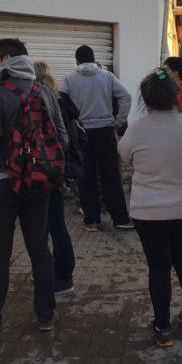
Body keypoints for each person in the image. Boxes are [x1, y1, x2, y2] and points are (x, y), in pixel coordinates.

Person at [0, 38, 67, 338]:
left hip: (2, 185)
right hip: (38, 186)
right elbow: (61, 138)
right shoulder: (45, 93)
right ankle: (46, 314)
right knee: (39, 249)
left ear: (7, 59)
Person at [118, 68, 182, 348]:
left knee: (159, 267)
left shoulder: (138, 127)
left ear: (145, 97)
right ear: (174, 94)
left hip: (149, 212)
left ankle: (162, 328)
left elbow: (124, 157)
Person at [62, 45, 133, 231]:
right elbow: (126, 96)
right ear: (94, 59)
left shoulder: (69, 79)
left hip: (82, 133)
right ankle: (120, 219)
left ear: (77, 61)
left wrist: (71, 125)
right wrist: (118, 121)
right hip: (105, 131)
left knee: (86, 177)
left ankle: (91, 220)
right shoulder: (107, 76)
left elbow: (61, 103)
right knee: (111, 175)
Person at [35, 61, 77, 294]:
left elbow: (60, 135)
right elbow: (64, 137)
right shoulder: (56, 96)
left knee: (52, 224)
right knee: (52, 223)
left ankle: (62, 277)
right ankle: (51, 272)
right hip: (56, 169)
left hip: (46, 170)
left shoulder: (43, 98)